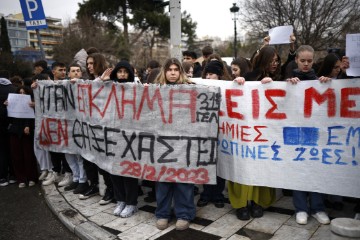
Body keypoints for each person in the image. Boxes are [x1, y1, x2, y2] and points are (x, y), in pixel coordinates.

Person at [286, 45, 331, 225]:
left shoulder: (319, 79)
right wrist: (289, 84)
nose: (306, 64)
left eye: (309, 61)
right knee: (299, 172)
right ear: (296, 60)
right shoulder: (290, 79)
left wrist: (328, 82)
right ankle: (301, 208)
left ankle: (318, 208)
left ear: (313, 61)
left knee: (316, 171)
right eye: (302, 61)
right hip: (296, 133)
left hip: (316, 133)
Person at [154, 58, 196, 231]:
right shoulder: (154, 91)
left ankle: (184, 214)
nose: (172, 72)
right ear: (164, 72)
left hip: (183, 144)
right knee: (163, 180)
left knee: (183, 181)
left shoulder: (192, 89)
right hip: (161, 143)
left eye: (176, 69)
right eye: (169, 69)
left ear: (180, 72)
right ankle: (162, 213)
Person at [99, 60, 139, 218]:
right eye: (120, 71)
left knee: (129, 171)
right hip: (112, 136)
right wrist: (101, 82)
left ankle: (131, 203)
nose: (122, 74)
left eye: (125, 72)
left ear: (130, 74)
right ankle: (120, 200)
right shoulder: (108, 88)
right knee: (115, 170)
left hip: (130, 138)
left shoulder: (137, 89)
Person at [79, 53, 114, 205]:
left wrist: (103, 82)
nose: (89, 66)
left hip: (105, 129)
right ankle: (94, 186)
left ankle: (110, 191)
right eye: (87, 64)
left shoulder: (109, 80)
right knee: (90, 160)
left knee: (104, 162)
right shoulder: (92, 81)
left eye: (92, 63)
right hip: (91, 129)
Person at [42, 62, 73, 187]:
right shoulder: (46, 86)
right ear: (53, 71)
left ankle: (68, 173)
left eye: (65, 70)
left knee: (65, 149)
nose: (63, 72)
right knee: (53, 149)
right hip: (52, 124)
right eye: (60, 70)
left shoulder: (69, 85)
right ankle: (56, 172)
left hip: (66, 124)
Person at [62, 63, 89, 194]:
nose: (76, 73)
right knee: (69, 153)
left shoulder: (86, 85)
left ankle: (83, 181)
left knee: (79, 156)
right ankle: (76, 178)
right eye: (73, 71)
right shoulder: (63, 86)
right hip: (67, 126)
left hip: (80, 126)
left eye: (78, 71)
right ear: (69, 74)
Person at [6, 86, 38, 188]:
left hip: (27, 132)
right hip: (15, 131)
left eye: (24, 92)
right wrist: (5, 106)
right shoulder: (12, 103)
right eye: (20, 92)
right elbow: (7, 118)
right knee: (16, 156)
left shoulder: (32, 103)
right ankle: (21, 178)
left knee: (28, 156)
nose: (22, 94)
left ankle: (32, 177)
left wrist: (28, 125)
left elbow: (34, 117)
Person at [31, 73, 53, 181]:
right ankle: (44, 168)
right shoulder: (33, 91)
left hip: (50, 123)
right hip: (39, 122)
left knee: (49, 147)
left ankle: (51, 170)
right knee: (39, 146)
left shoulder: (53, 89)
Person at [0, 70, 16, 187]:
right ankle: (14, 175)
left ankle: (2, 176)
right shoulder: (13, 88)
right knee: (12, 149)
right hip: (12, 123)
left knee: (1, 151)